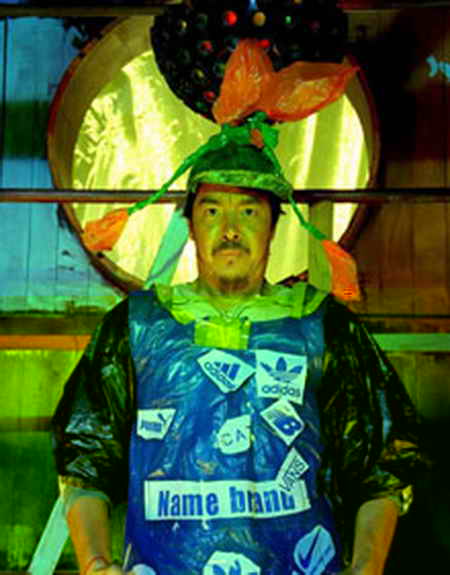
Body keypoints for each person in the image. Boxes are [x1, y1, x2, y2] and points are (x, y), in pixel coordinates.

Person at [52, 139, 426, 575]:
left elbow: (381, 463)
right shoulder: (136, 325)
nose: (230, 229)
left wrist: (366, 567)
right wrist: (96, 564)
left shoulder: (324, 326)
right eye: (212, 211)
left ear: (274, 225)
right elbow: (85, 460)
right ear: (191, 225)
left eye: (249, 211)